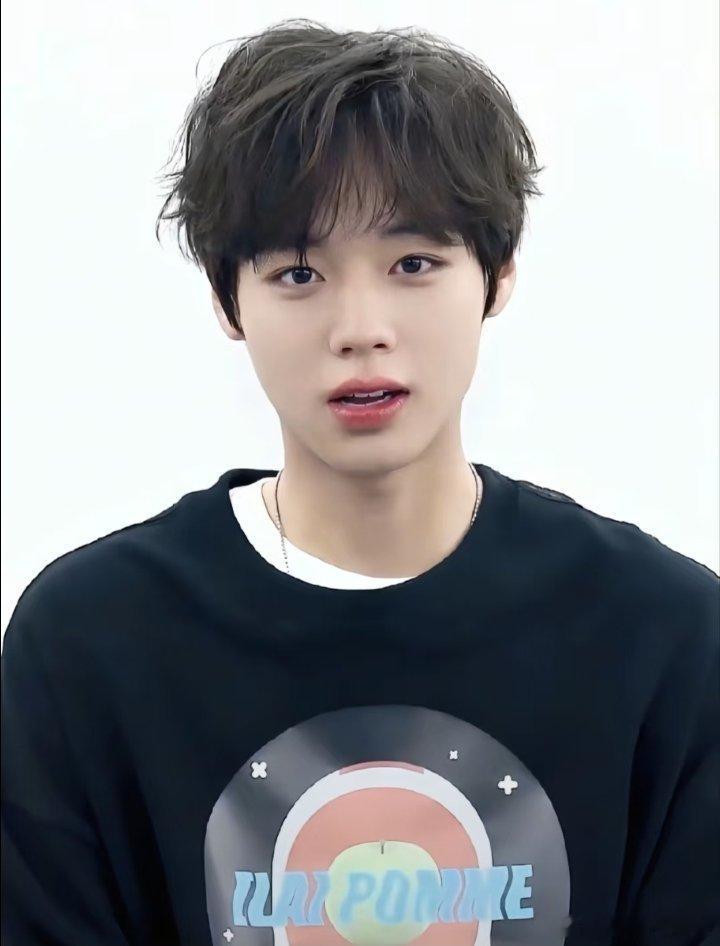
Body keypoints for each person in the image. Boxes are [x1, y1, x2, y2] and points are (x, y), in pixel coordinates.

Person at [2, 18, 718, 946]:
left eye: (414, 264)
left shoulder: (661, 636)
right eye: (299, 273)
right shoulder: (91, 642)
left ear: (498, 274)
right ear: (227, 300)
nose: (360, 328)